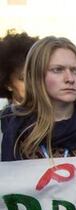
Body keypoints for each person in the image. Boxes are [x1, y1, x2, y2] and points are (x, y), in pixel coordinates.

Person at [0, 31, 38, 161]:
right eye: (23, 78)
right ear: (8, 84)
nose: (32, 83)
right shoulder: (4, 122)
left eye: (36, 75)